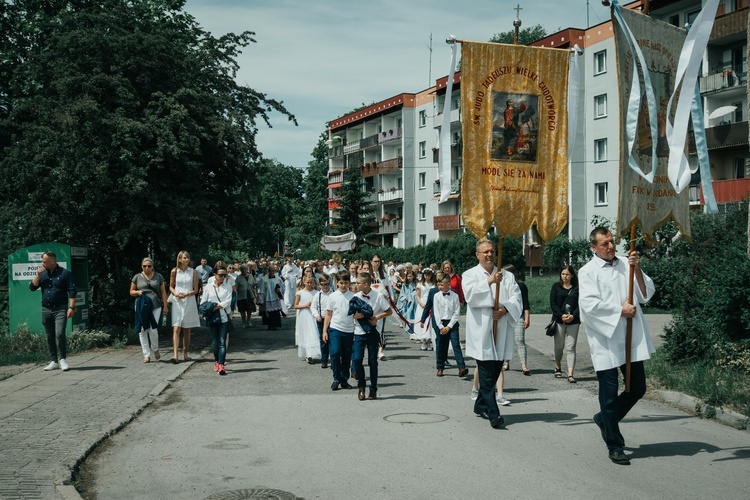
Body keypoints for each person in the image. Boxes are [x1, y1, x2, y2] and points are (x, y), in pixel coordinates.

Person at [579, 227, 655, 465]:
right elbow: (589, 306)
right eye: (604, 244)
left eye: (612, 242)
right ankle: (615, 444)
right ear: (594, 247)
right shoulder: (587, 271)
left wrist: (637, 266)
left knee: (637, 388)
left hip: (631, 337)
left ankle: (604, 419)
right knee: (609, 394)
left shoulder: (626, 263)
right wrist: (619, 311)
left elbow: (645, 294)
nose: (611, 247)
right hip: (606, 340)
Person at [462, 239, 522, 429]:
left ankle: (480, 404)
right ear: (477, 255)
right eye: (485, 252)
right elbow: (469, 296)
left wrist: (505, 309)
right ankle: (493, 413)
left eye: (492, 251)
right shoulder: (470, 274)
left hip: (501, 325)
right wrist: (489, 281)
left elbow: (516, 297)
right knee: (486, 370)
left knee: (496, 367)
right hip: (482, 327)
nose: (489, 255)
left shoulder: (507, 275)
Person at [29, 251, 77, 371]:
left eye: (44, 261)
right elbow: (32, 288)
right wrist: (38, 276)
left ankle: (63, 359)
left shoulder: (65, 273)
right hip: (46, 308)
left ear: (52, 261)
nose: (42, 263)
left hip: (60, 308)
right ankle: (53, 361)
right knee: (49, 336)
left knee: (59, 333)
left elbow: (72, 291)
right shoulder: (43, 274)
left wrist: (71, 307)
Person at [352, 272, 392, 400]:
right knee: (357, 359)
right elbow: (352, 312)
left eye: (358, 283)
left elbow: (389, 311)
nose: (356, 285)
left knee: (372, 361)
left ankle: (373, 388)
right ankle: (361, 387)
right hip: (359, 331)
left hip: (373, 331)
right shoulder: (356, 296)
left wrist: (377, 317)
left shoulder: (378, 296)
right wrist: (355, 316)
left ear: (366, 284)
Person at [419, 273, 468, 378]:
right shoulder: (436, 296)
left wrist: (449, 326)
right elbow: (435, 312)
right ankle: (440, 367)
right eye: (438, 284)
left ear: (448, 284)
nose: (439, 286)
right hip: (440, 323)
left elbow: (456, 312)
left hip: (452, 323)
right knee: (441, 345)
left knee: (456, 345)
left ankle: (461, 367)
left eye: (442, 284)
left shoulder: (454, 295)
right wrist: (441, 327)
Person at [130, 257, 168, 364]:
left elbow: (163, 292)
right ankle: (146, 354)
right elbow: (131, 291)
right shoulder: (137, 277)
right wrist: (137, 292)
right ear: (142, 266)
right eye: (145, 266)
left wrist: (165, 306)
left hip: (155, 305)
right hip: (141, 306)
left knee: (152, 329)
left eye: (149, 266)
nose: (147, 268)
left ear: (152, 266)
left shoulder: (158, 276)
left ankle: (155, 348)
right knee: (143, 330)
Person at [322, 272, 355, 391]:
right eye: (341, 283)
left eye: (346, 283)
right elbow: (328, 313)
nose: (343, 285)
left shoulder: (353, 296)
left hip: (349, 330)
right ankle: (336, 378)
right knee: (335, 353)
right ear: (337, 283)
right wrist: (325, 331)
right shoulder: (332, 296)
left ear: (349, 283)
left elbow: (356, 314)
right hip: (335, 328)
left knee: (346, 356)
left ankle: (344, 379)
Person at [550, 265, 581, 382]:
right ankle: (558, 366)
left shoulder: (577, 289)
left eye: (567, 274)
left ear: (572, 275)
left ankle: (570, 374)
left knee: (571, 347)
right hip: (559, 320)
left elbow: (580, 304)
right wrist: (561, 315)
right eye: (563, 274)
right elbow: (553, 303)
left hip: (574, 321)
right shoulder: (556, 287)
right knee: (559, 347)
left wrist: (573, 315)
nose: (565, 276)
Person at [168, 251, 200, 363]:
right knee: (176, 327)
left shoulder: (193, 272)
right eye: (184, 258)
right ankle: (175, 355)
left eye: (188, 258)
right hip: (177, 300)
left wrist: (186, 294)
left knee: (187, 328)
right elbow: (170, 286)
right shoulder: (174, 271)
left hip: (189, 300)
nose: (187, 260)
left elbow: (196, 289)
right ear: (180, 259)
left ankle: (185, 353)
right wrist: (175, 293)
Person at [201, 266, 233, 375]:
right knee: (215, 341)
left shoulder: (228, 286)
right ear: (215, 274)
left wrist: (215, 306)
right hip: (212, 317)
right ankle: (216, 360)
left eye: (225, 275)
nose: (223, 277)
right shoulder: (209, 287)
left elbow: (228, 301)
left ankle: (221, 364)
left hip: (223, 317)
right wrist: (209, 309)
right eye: (220, 275)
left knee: (222, 341)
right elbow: (203, 302)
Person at [503, 264, 531, 376]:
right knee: (506, 340)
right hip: (505, 315)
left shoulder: (521, 286)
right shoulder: (502, 286)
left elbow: (525, 303)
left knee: (519, 340)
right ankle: (506, 362)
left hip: (518, 316)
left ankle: (524, 365)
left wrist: (527, 317)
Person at [295, 276, 321, 364]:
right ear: (304, 282)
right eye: (308, 283)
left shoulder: (316, 293)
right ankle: (308, 354)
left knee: (313, 332)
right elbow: (295, 306)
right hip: (304, 315)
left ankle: (311, 353)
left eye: (311, 283)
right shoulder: (300, 293)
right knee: (306, 333)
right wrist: (305, 305)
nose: (309, 284)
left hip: (313, 315)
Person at [310, 275, 332, 369]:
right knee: (323, 340)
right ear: (319, 285)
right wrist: (316, 315)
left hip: (332, 320)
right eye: (323, 284)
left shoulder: (333, 294)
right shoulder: (317, 295)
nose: (325, 286)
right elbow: (313, 307)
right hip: (321, 319)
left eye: (327, 284)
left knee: (332, 340)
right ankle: (324, 360)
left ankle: (334, 360)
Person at [257, 262, 284, 330]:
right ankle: (269, 324)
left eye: (273, 271)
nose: (272, 272)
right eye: (270, 271)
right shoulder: (263, 279)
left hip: (275, 296)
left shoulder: (278, 278)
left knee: (275, 312)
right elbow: (261, 288)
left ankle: (275, 325)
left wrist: (279, 290)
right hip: (267, 297)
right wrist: (261, 299)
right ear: (268, 271)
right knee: (268, 312)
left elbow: (283, 286)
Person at [415, 268, 436, 350]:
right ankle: (423, 341)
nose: (427, 277)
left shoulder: (433, 284)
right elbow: (417, 295)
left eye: (429, 275)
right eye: (426, 275)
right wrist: (420, 303)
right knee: (422, 322)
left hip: (430, 304)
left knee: (429, 322)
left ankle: (429, 341)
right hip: (422, 304)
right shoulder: (420, 284)